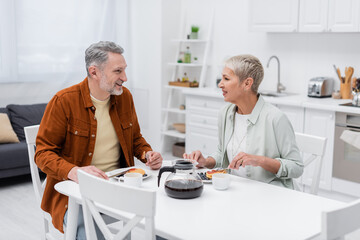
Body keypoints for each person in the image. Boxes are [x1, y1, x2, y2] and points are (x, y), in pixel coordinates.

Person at [35, 41, 163, 238]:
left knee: (161, 219)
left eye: (124, 70)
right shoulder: (63, 101)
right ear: (94, 72)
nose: (125, 78)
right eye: (118, 71)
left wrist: (147, 154)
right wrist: (74, 171)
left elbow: (135, 138)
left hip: (118, 184)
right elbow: (43, 154)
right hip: (75, 193)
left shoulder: (124, 97)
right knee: (89, 232)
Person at [184, 54, 303, 189]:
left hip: (269, 195)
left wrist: (260, 160)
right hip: (236, 190)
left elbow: (297, 167)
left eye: (226, 79)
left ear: (247, 83)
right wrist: (206, 161)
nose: (220, 84)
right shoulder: (226, 113)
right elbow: (222, 154)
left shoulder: (275, 118)